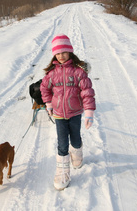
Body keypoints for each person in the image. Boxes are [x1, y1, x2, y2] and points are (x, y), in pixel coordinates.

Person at [40, 34, 96, 190]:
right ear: (54, 55)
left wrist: (89, 112)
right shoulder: (51, 73)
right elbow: (44, 88)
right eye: (58, 53)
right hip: (58, 114)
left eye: (64, 52)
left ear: (70, 52)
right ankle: (62, 172)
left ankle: (77, 153)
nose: (61, 56)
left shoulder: (78, 72)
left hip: (75, 112)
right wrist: (49, 103)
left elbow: (87, 91)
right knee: (62, 143)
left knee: (76, 139)